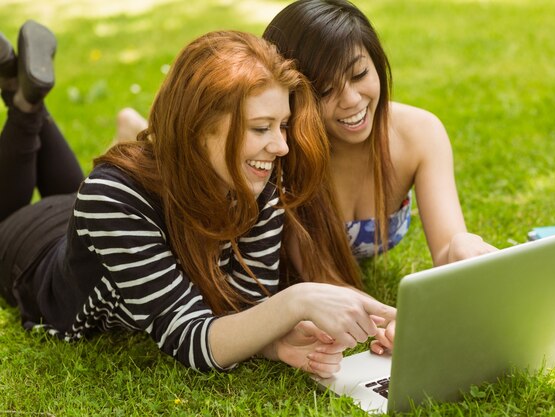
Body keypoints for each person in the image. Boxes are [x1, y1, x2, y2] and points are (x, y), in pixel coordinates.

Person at [0, 21, 396, 377]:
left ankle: (26, 97)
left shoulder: (257, 183)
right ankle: (25, 102)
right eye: (261, 128)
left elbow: (241, 310)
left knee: (73, 192)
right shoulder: (111, 197)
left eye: (283, 126)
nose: (281, 147)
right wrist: (297, 301)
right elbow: (191, 339)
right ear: (198, 127)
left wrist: (274, 342)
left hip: (93, 222)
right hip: (30, 250)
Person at [262, 0, 497, 264]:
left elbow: (446, 251)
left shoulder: (420, 134)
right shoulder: (280, 150)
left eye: (359, 74)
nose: (351, 99)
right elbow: (322, 280)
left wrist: (462, 245)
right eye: (325, 90)